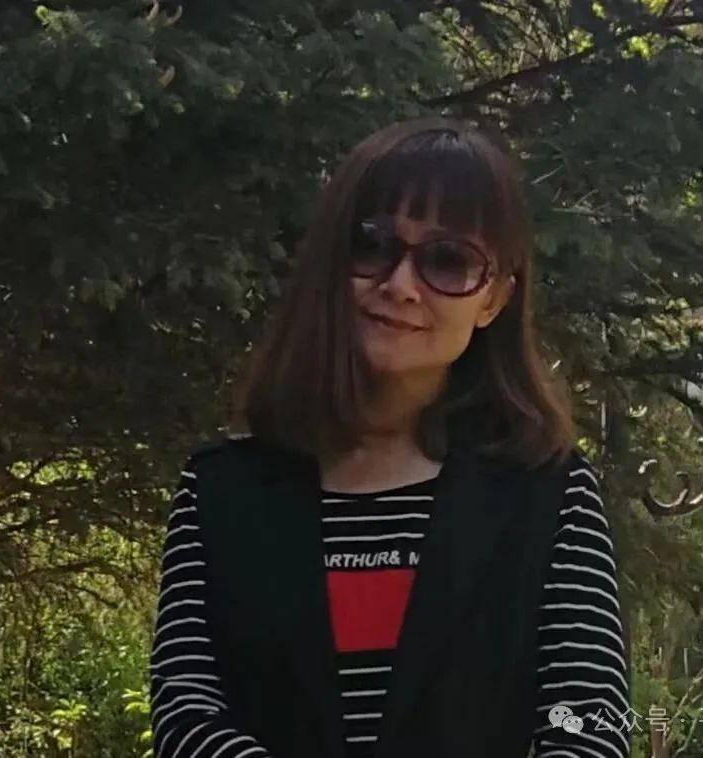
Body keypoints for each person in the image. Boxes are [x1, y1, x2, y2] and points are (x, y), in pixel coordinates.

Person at [148, 118, 630, 758]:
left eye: (448, 261)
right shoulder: (220, 492)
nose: (401, 286)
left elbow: (588, 722)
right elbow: (186, 713)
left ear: (494, 299)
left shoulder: (549, 492)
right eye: (372, 245)